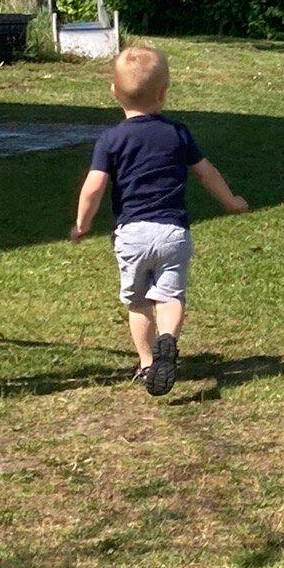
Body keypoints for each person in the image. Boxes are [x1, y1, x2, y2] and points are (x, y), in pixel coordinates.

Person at [71, 45, 248, 396]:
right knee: (169, 297)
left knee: (138, 303)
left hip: (132, 234)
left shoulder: (111, 140)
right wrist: (231, 201)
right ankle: (168, 339)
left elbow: (93, 188)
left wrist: (82, 223)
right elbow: (206, 173)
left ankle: (148, 362)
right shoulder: (177, 133)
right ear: (164, 93)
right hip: (172, 233)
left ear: (113, 93)